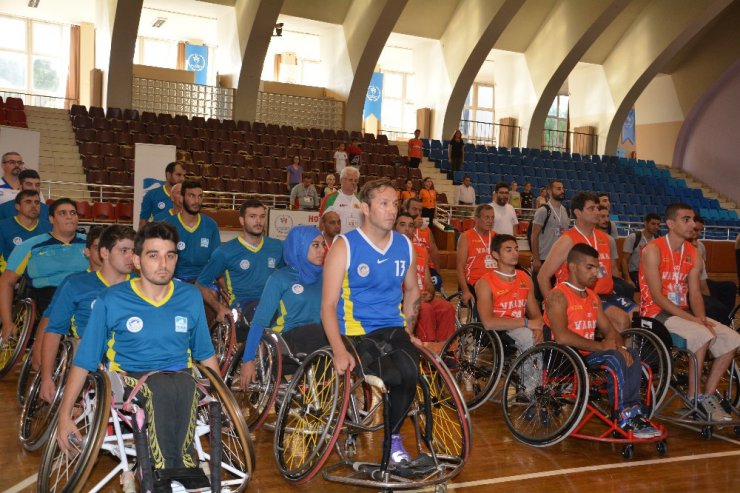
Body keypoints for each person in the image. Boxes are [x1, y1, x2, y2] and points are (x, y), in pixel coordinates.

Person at [55, 222, 220, 489]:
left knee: (182, 383)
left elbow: (205, 353)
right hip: (128, 378)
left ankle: (175, 469)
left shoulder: (189, 296)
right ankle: (172, 471)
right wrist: (64, 416)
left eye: (170, 255)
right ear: (137, 260)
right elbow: (85, 359)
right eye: (153, 255)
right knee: (164, 387)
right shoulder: (112, 299)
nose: (163, 263)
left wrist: (224, 398)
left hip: (181, 377)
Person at [321, 177, 423, 470]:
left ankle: (392, 438)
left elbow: (413, 289)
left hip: (392, 327)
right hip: (355, 331)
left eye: (394, 204)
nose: (392, 210)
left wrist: (409, 329)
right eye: (383, 203)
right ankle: (383, 432)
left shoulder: (404, 244)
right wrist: (339, 350)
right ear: (365, 208)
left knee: (411, 372)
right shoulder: (345, 246)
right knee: (394, 374)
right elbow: (327, 305)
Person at [545, 243, 659, 438]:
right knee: (615, 357)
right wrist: (602, 346)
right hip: (564, 356)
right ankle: (624, 415)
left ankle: (635, 413)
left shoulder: (592, 296)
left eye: (597, 268)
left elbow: (609, 330)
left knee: (630, 353)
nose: (595, 273)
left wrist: (620, 345)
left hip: (587, 354)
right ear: (572, 267)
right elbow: (562, 336)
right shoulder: (557, 295)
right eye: (589, 267)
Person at [640, 203, 740, 421]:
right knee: (701, 334)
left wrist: (702, 318)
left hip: (682, 313)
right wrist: (695, 321)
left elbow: (695, 293)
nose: (693, 224)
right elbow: (657, 296)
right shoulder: (653, 250)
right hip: (655, 313)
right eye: (686, 219)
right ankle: (693, 397)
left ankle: (707, 395)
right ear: (670, 224)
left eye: (693, 219)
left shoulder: (693, 253)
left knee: (732, 338)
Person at [39, 225, 135, 403]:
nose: (131, 256)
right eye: (124, 250)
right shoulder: (76, 284)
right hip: (88, 354)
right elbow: (53, 331)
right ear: (105, 253)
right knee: (85, 346)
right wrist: (46, 377)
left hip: (128, 353)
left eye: (134, 251)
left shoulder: (140, 286)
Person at [240, 225, 328, 387]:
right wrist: (248, 359)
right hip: (286, 338)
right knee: (320, 333)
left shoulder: (326, 275)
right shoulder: (280, 278)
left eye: (323, 245)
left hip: (318, 338)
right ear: (299, 246)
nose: (322, 250)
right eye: (315, 245)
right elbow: (259, 320)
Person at [538, 192, 636, 333]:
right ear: (578, 213)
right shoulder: (567, 240)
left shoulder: (606, 239)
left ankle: (629, 354)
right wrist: (553, 307)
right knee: (622, 320)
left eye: (597, 208)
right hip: (580, 297)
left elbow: (612, 269)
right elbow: (543, 276)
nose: (597, 212)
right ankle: (616, 353)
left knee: (639, 315)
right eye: (591, 209)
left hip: (608, 294)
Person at [0, 198, 87, 348]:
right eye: (63, 213)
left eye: (73, 213)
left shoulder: (91, 243)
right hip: (48, 295)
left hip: (85, 293)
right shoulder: (30, 245)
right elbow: (6, 282)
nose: (69, 217)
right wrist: (7, 322)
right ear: (51, 219)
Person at [196, 199, 283, 327]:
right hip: (243, 306)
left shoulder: (277, 246)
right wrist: (219, 307)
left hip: (271, 304)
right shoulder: (225, 252)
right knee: (258, 312)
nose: (258, 221)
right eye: (252, 217)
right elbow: (200, 284)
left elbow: (286, 275)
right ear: (242, 220)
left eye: (262, 216)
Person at [476, 234, 543, 356]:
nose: (515, 253)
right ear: (495, 255)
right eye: (508, 250)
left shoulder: (525, 278)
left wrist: (538, 328)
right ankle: (531, 375)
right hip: (498, 330)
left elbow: (536, 315)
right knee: (528, 337)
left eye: (516, 249)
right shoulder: (484, 283)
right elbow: (488, 323)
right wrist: (526, 323)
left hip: (519, 326)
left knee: (548, 333)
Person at [396, 212, 455, 347]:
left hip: (422, 297)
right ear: (394, 228)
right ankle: (428, 354)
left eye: (411, 226)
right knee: (425, 309)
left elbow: (428, 283)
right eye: (402, 225)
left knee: (447, 307)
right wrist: (412, 297)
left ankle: (447, 351)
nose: (407, 229)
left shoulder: (421, 250)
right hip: (404, 300)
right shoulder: (389, 252)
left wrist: (429, 293)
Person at [163, 181, 220, 282]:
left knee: (212, 296)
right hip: (175, 278)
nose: (196, 201)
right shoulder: (168, 225)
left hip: (202, 279)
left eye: (200, 196)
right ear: (182, 197)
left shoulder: (211, 225)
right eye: (191, 196)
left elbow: (216, 261)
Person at [692, 216, 736, 324]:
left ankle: (727, 319)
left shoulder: (701, 247)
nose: (698, 234)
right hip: (688, 285)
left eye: (700, 231)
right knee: (715, 306)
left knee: (729, 286)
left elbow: (703, 273)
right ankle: (719, 315)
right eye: (695, 230)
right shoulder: (681, 246)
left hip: (701, 280)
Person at [0, 190, 51, 272]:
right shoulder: (2, 227)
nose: (34, 205)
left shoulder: (49, 227)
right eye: (28, 202)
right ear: (17, 206)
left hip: (42, 279)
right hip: (13, 279)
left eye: (37, 202)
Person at [456, 204, 496, 307]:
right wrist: (465, 291)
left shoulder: (496, 236)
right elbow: (460, 267)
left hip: (495, 283)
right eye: (486, 217)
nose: (490, 221)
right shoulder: (466, 237)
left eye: (492, 217)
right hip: (474, 283)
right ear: (476, 218)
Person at [530, 179, 569, 277]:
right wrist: (536, 259)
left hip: (561, 260)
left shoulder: (565, 211)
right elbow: (534, 236)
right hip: (545, 258)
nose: (562, 191)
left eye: (563, 189)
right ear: (550, 191)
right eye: (558, 189)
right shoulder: (543, 211)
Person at [404, 197, 442, 290]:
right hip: (407, 269)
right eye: (414, 209)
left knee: (436, 281)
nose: (417, 213)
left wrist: (438, 273)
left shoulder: (426, 230)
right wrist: (412, 226)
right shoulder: (400, 227)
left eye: (420, 210)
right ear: (406, 210)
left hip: (426, 269)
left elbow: (434, 252)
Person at [139, 161, 186, 228]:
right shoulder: (151, 195)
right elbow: (143, 223)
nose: (182, 179)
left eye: (184, 175)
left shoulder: (188, 196)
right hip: (159, 234)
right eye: (178, 175)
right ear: (168, 175)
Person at [621, 212, 660, 288]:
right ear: (645, 223)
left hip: (651, 273)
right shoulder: (633, 237)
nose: (656, 227)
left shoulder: (658, 240)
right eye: (653, 224)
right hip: (635, 273)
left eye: (658, 225)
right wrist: (628, 279)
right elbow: (624, 260)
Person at [320, 166, 363, 234]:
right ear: (341, 180)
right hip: (338, 241)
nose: (353, 183)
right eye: (351, 180)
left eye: (356, 180)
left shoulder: (361, 200)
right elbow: (321, 222)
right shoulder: (330, 198)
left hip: (357, 242)